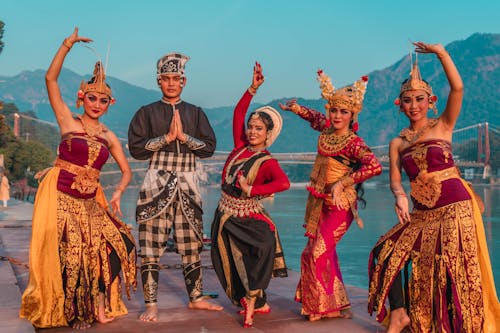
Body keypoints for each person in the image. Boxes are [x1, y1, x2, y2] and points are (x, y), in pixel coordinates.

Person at [367, 42, 500, 332]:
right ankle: (400, 312)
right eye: (407, 100)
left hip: (455, 207)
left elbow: (459, 90)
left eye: (419, 99)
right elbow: (395, 182)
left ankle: (463, 323)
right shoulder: (397, 143)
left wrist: (441, 54)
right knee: (386, 250)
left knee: (455, 268)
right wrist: (399, 197)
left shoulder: (444, 126)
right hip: (422, 212)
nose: (414, 105)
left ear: (431, 100)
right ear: (399, 105)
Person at [19, 28, 137, 330]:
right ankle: (75, 313)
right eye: (92, 98)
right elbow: (50, 80)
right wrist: (66, 44)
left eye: (103, 100)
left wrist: (118, 193)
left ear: (110, 104)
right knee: (70, 258)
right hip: (59, 195)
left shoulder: (110, 136)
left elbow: (126, 171)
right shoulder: (67, 121)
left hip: (89, 203)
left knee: (120, 244)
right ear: (82, 98)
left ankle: (97, 303)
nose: (97, 104)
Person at [279, 70, 382, 322]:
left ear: (352, 115)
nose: (337, 116)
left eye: (343, 112)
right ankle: (333, 304)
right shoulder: (326, 131)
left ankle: (322, 306)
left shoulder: (354, 142)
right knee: (317, 253)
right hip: (319, 202)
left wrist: (344, 182)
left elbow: (375, 166)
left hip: (340, 205)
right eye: (334, 110)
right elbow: (314, 117)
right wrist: (295, 109)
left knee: (317, 253)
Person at [128, 51, 222, 322]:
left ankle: (196, 298)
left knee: (191, 243)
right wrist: (166, 138)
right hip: (156, 181)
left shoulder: (196, 113)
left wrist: (184, 137)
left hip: (189, 183)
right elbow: (136, 149)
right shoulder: (146, 113)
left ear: (184, 81)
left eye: (176, 78)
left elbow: (209, 148)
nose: (171, 83)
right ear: (159, 81)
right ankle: (151, 304)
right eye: (166, 78)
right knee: (150, 245)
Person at [210, 62, 290, 328]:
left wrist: (253, 190)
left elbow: (284, 183)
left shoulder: (266, 160)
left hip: (247, 213)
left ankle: (255, 299)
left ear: (268, 134)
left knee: (262, 249)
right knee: (228, 261)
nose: (252, 131)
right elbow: (238, 113)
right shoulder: (238, 148)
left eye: (258, 129)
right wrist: (252, 88)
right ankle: (249, 300)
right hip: (225, 214)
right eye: (251, 127)